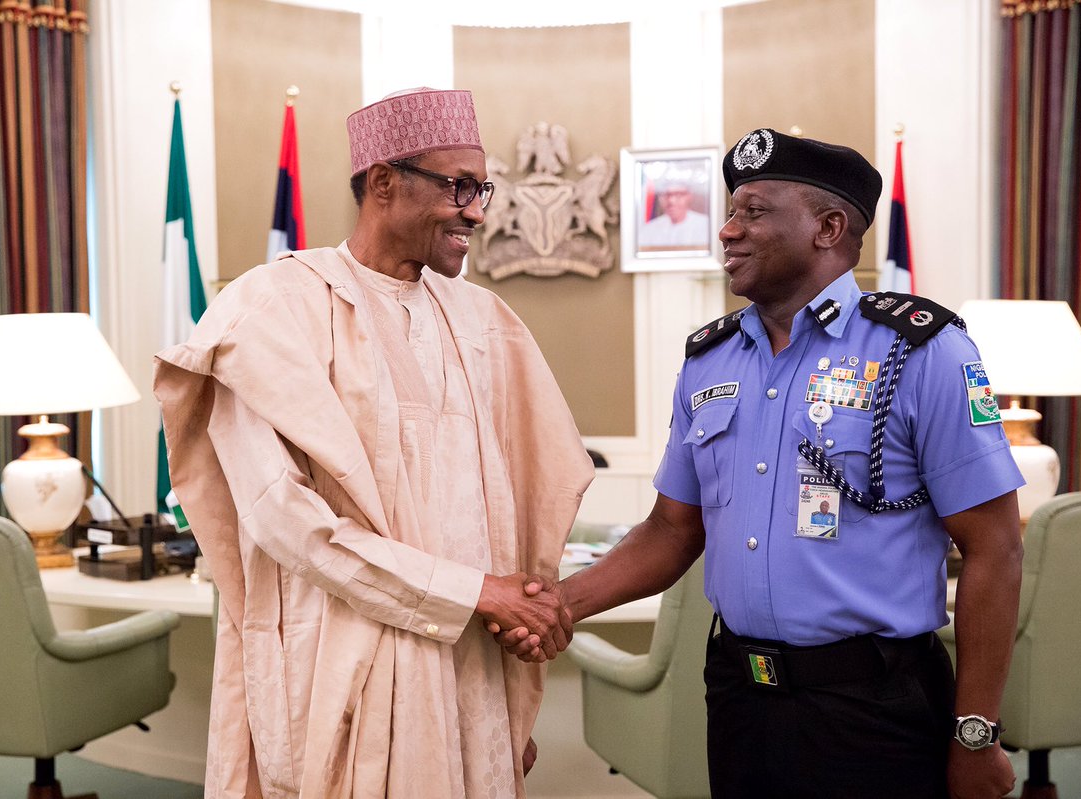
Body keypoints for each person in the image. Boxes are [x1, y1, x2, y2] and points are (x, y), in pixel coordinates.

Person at [498, 128, 1025, 798]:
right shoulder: (709, 361)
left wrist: (974, 732)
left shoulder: (922, 352)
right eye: (730, 212)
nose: (727, 231)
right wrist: (556, 605)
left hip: (873, 705)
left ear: (828, 227)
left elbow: (996, 548)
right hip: (740, 698)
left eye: (753, 211)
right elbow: (671, 529)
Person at [154, 88, 594, 799]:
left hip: (470, 668)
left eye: (481, 187)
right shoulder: (270, 310)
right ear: (384, 182)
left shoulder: (486, 321)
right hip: (337, 666)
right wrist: (475, 593)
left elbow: (527, 500)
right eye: (457, 186)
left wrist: (507, 686)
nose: (476, 209)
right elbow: (287, 521)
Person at [638, 180, 710, 250]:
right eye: (667, 195)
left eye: (678, 194)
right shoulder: (649, 229)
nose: (671, 201)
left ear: (690, 196)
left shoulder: (706, 225)